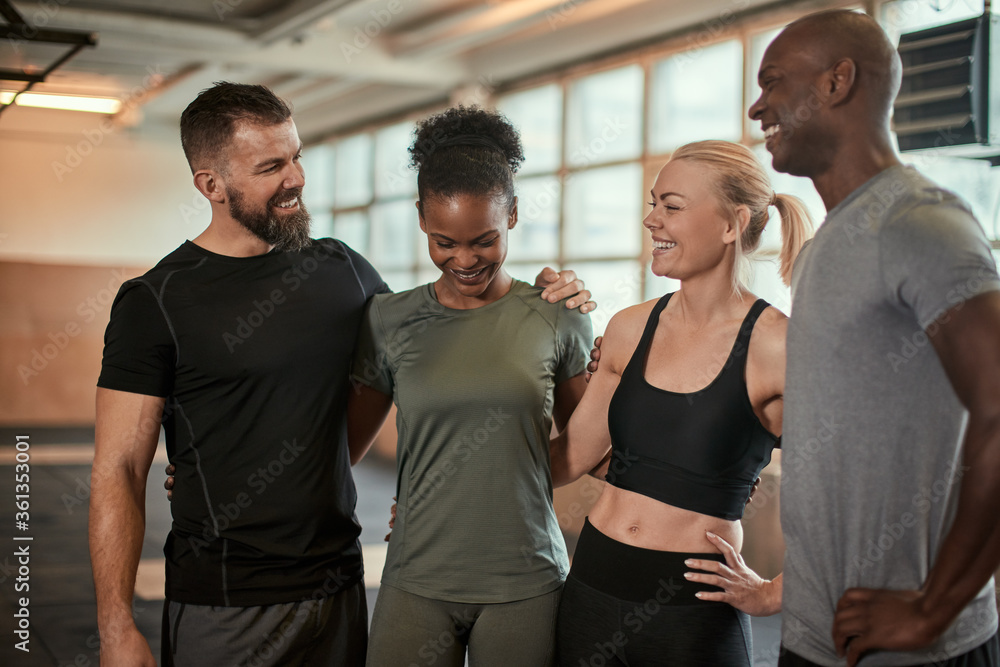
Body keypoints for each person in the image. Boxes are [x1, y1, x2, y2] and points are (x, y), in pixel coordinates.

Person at [89, 83, 590, 667]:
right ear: (210, 184)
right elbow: (118, 467)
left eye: (297, 155)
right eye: (271, 165)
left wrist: (560, 293)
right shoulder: (154, 300)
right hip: (227, 596)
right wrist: (116, 627)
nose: (296, 177)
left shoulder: (346, 274)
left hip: (339, 584)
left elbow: (452, 323)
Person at [748, 9, 1000, 667]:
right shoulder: (830, 242)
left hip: (911, 648)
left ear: (838, 82)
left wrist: (933, 607)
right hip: (816, 638)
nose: (757, 106)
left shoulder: (917, 219)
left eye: (773, 81)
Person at [549, 139, 812, 666]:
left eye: (671, 206)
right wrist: (543, 329)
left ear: (732, 223)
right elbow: (567, 459)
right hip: (591, 588)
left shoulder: (777, 346)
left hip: (692, 615)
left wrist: (776, 592)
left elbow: (852, 488)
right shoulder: (629, 327)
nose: (651, 220)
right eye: (652, 203)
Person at [347, 106, 593, 667]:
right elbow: (342, 447)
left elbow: (587, 443)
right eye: (443, 242)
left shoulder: (559, 315)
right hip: (417, 574)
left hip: (525, 575)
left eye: (483, 240)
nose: (464, 260)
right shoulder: (387, 320)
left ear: (513, 214)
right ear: (419, 218)